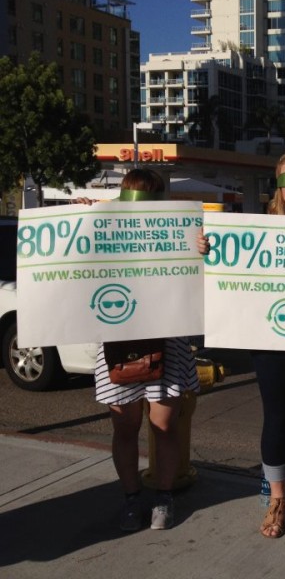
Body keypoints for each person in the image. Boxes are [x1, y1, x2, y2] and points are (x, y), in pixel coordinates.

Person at [200, 151, 285, 539]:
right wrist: (208, 251)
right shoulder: (256, 230)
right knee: (275, 417)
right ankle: (278, 499)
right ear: (278, 187)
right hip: (270, 339)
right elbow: (227, 272)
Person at [89, 168, 201, 532]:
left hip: (167, 339)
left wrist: (202, 250)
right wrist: (81, 222)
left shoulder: (178, 232)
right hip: (118, 342)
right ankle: (131, 498)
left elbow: (198, 280)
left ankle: (164, 497)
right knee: (125, 427)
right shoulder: (104, 231)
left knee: (165, 425)